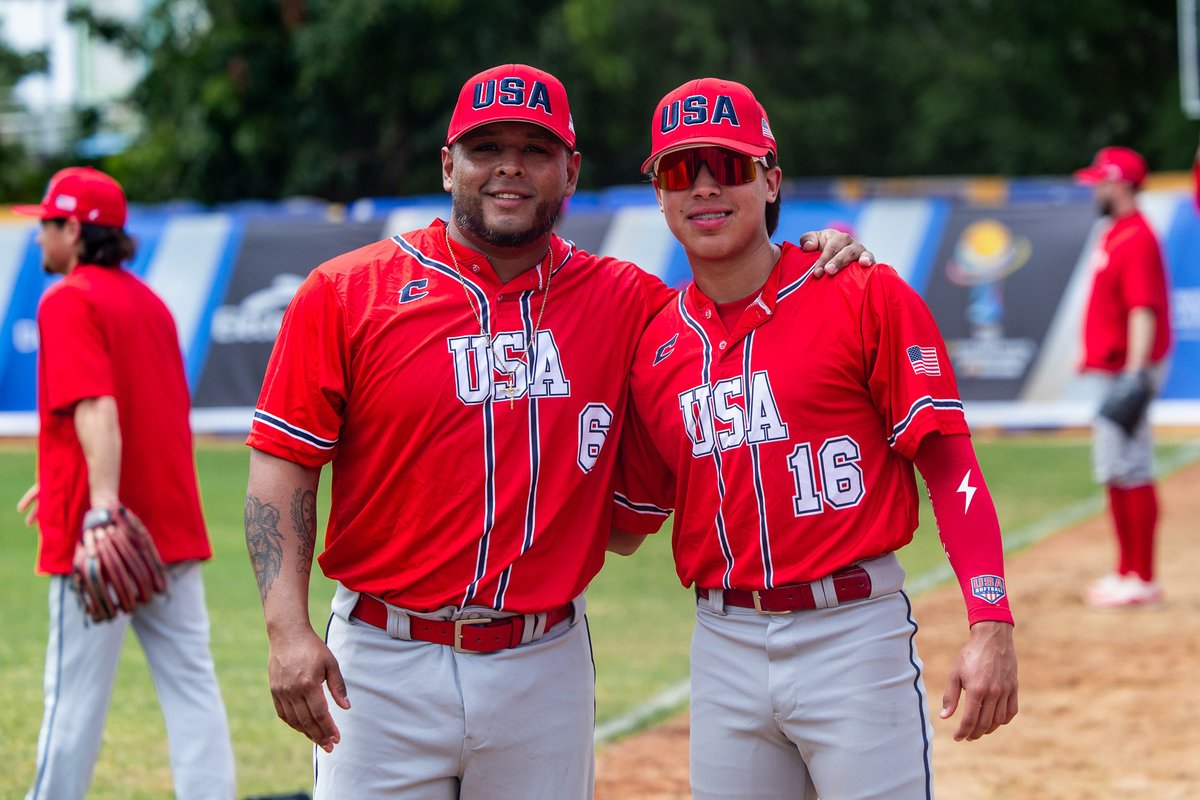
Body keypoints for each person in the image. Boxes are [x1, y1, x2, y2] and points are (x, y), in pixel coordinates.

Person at [243, 63, 871, 800]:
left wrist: (824, 252)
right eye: (486, 148)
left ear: (570, 171)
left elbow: (737, 299)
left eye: (535, 150)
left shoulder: (627, 301)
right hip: (381, 660)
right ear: (449, 166)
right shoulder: (348, 293)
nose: (510, 166)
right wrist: (287, 630)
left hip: (541, 663)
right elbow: (284, 461)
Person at [610, 78, 1018, 799]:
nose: (705, 187)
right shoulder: (656, 345)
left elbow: (951, 464)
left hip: (854, 633)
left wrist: (990, 621)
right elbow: (621, 523)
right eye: (680, 170)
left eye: (728, 166)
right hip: (722, 641)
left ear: (770, 181)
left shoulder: (860, 292)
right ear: (659, 196)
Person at [13, 167, 236, 800]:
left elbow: (98, 409)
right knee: (193, 691)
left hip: (100, 539)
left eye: (47, 226)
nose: (38, 240)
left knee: (72, 705)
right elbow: (148, 416)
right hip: (171, 531)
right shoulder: (151, 303)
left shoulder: (68, 299)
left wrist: (101, 509)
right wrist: (58, 479)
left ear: (75, 230)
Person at [1073, 146, 1173, 608]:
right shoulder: (1118, 232)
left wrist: (1135, 373)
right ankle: (1127, 570)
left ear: (1119, 183)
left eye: (1100, 180)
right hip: (1112, 366)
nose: (1094, 187)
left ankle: (1142, 576)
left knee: (1131, 466)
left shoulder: (1135, 236)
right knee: (1116, 468)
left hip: (1126, 370)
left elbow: (1142, 310)